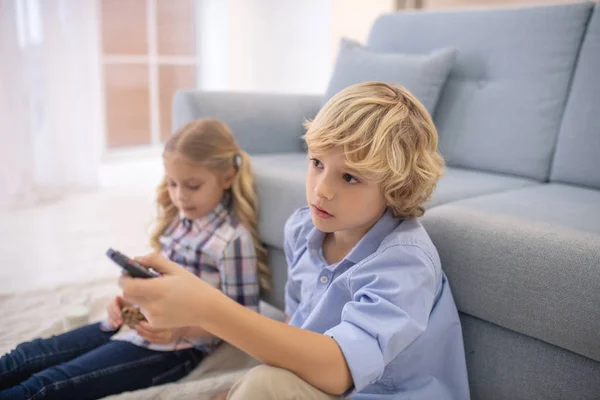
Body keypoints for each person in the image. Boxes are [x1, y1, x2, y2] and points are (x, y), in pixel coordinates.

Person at [119, 82, 471, 399]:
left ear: (398, 188)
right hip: (318, 381)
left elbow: (338, 370)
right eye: (317, 162)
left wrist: (208, 309)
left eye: (349, 177)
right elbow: (294, 328)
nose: (321, 189)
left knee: (261, 385)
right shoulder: (305, 230)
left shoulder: (403, 261)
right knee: (256, 382)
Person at [0, 119, 268, 399]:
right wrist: (132, 299)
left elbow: (244, 320)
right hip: (136, 322)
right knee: (25, 357)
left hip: (175, 350)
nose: (179, 196)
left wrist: (181, 331)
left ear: (227, 177)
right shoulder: (179, 223)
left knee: (46, 386)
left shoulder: (232, 240)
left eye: (192, 186)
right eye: (173, 184)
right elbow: (164, 285)